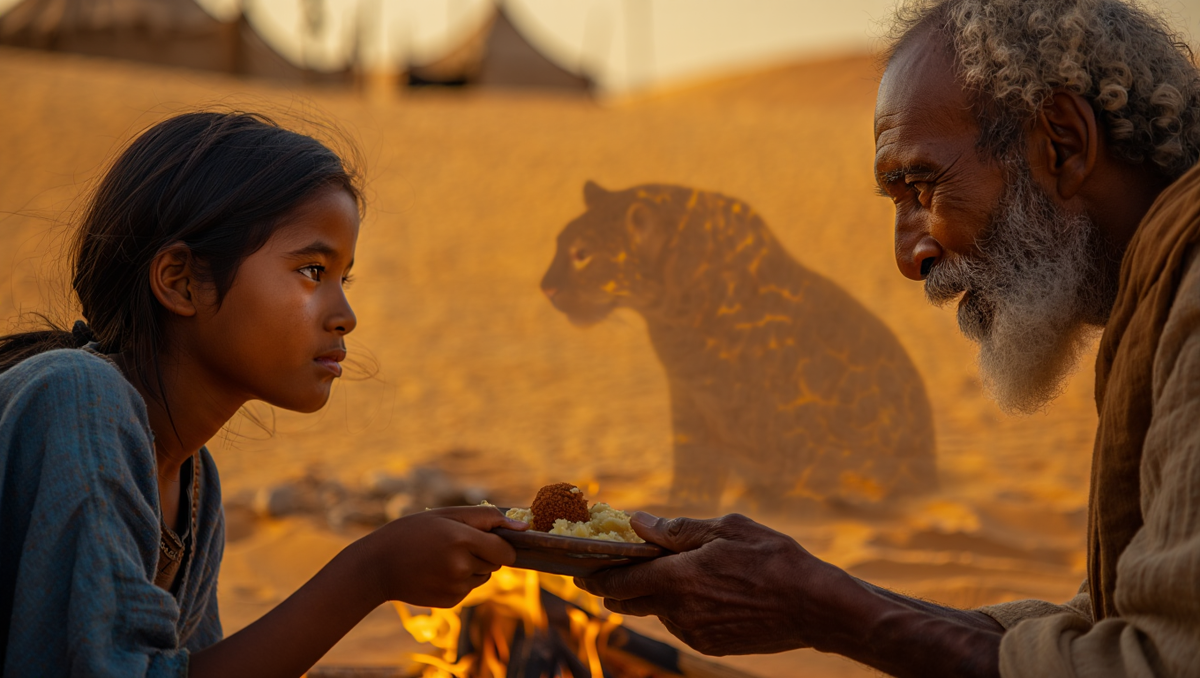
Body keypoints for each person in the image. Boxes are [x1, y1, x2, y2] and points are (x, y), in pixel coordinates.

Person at [577, 1, 1200, 676]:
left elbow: (1158, 662)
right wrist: (808, 586)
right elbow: (1107, 630)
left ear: (1062, 143)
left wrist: (824, 610)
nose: (910, 257)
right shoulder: (1157, 292)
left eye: (923, 187)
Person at [0, 111, 528, 677]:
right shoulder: (78, 402)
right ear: (181, 281)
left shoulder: (192, 481)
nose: (345, 317)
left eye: (342, 279)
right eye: (311, 270)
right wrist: (370, 572)